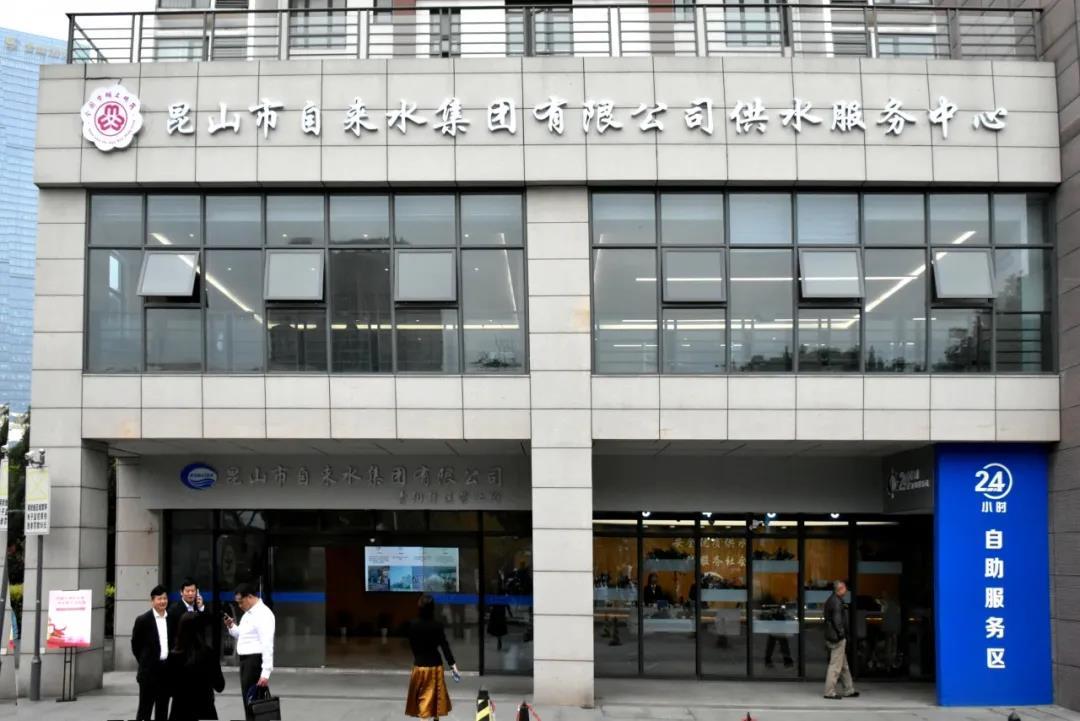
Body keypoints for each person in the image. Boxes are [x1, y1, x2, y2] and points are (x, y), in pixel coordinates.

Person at [224, 583, 276, 721]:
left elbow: (267, 644)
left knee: (254, 703)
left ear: (250, 597)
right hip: (246, 662)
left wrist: (265, 672)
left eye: (241, 602)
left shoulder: (263, 614)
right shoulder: (248, 614)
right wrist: (231, 626)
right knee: (249, 701)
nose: (239, 605)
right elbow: (242, 635)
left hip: (254, 661)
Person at [405, 594, 460, 721]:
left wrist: (418, 656)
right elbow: (445, 647)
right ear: (433, 608)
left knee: (422, 702)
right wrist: (453, 666)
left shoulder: (412, 625)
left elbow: (413, 645)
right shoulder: (437, 625)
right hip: (435, 665)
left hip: (420, 666)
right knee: (436, 700)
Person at [167, 612, 225, 720]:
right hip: (205, 710)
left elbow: (168, 689)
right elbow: (220, 686)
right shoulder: (208, 654)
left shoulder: (173, 656)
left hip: (179, 712)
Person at [131, 585, 172, 720]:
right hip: (148, 673)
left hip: (166, 671)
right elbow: (135, 645)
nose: (163, 601)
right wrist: (145, 661)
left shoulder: (171, 618)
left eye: (165, 598)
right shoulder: (143, 620)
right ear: (152, 600)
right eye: (159, 599)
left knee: (162, 710)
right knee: (145, 710)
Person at [823, 580, 858, 700]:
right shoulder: (836, 602)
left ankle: (849, 689)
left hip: (833, 635)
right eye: (845, 588)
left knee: (843, 665)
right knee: (835, 665)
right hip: (837, 638)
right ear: (840, 589)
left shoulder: (832, 600)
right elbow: (837, 621)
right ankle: (829, 692)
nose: (846, 590)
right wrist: (842, 634)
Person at [764, 600, 794, 669]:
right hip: (777, 624)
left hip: (778, 624)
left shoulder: (778, 607)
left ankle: (769, 660)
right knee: (779, 642)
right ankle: (786, 660)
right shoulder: (776, 606)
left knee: (775, 642)